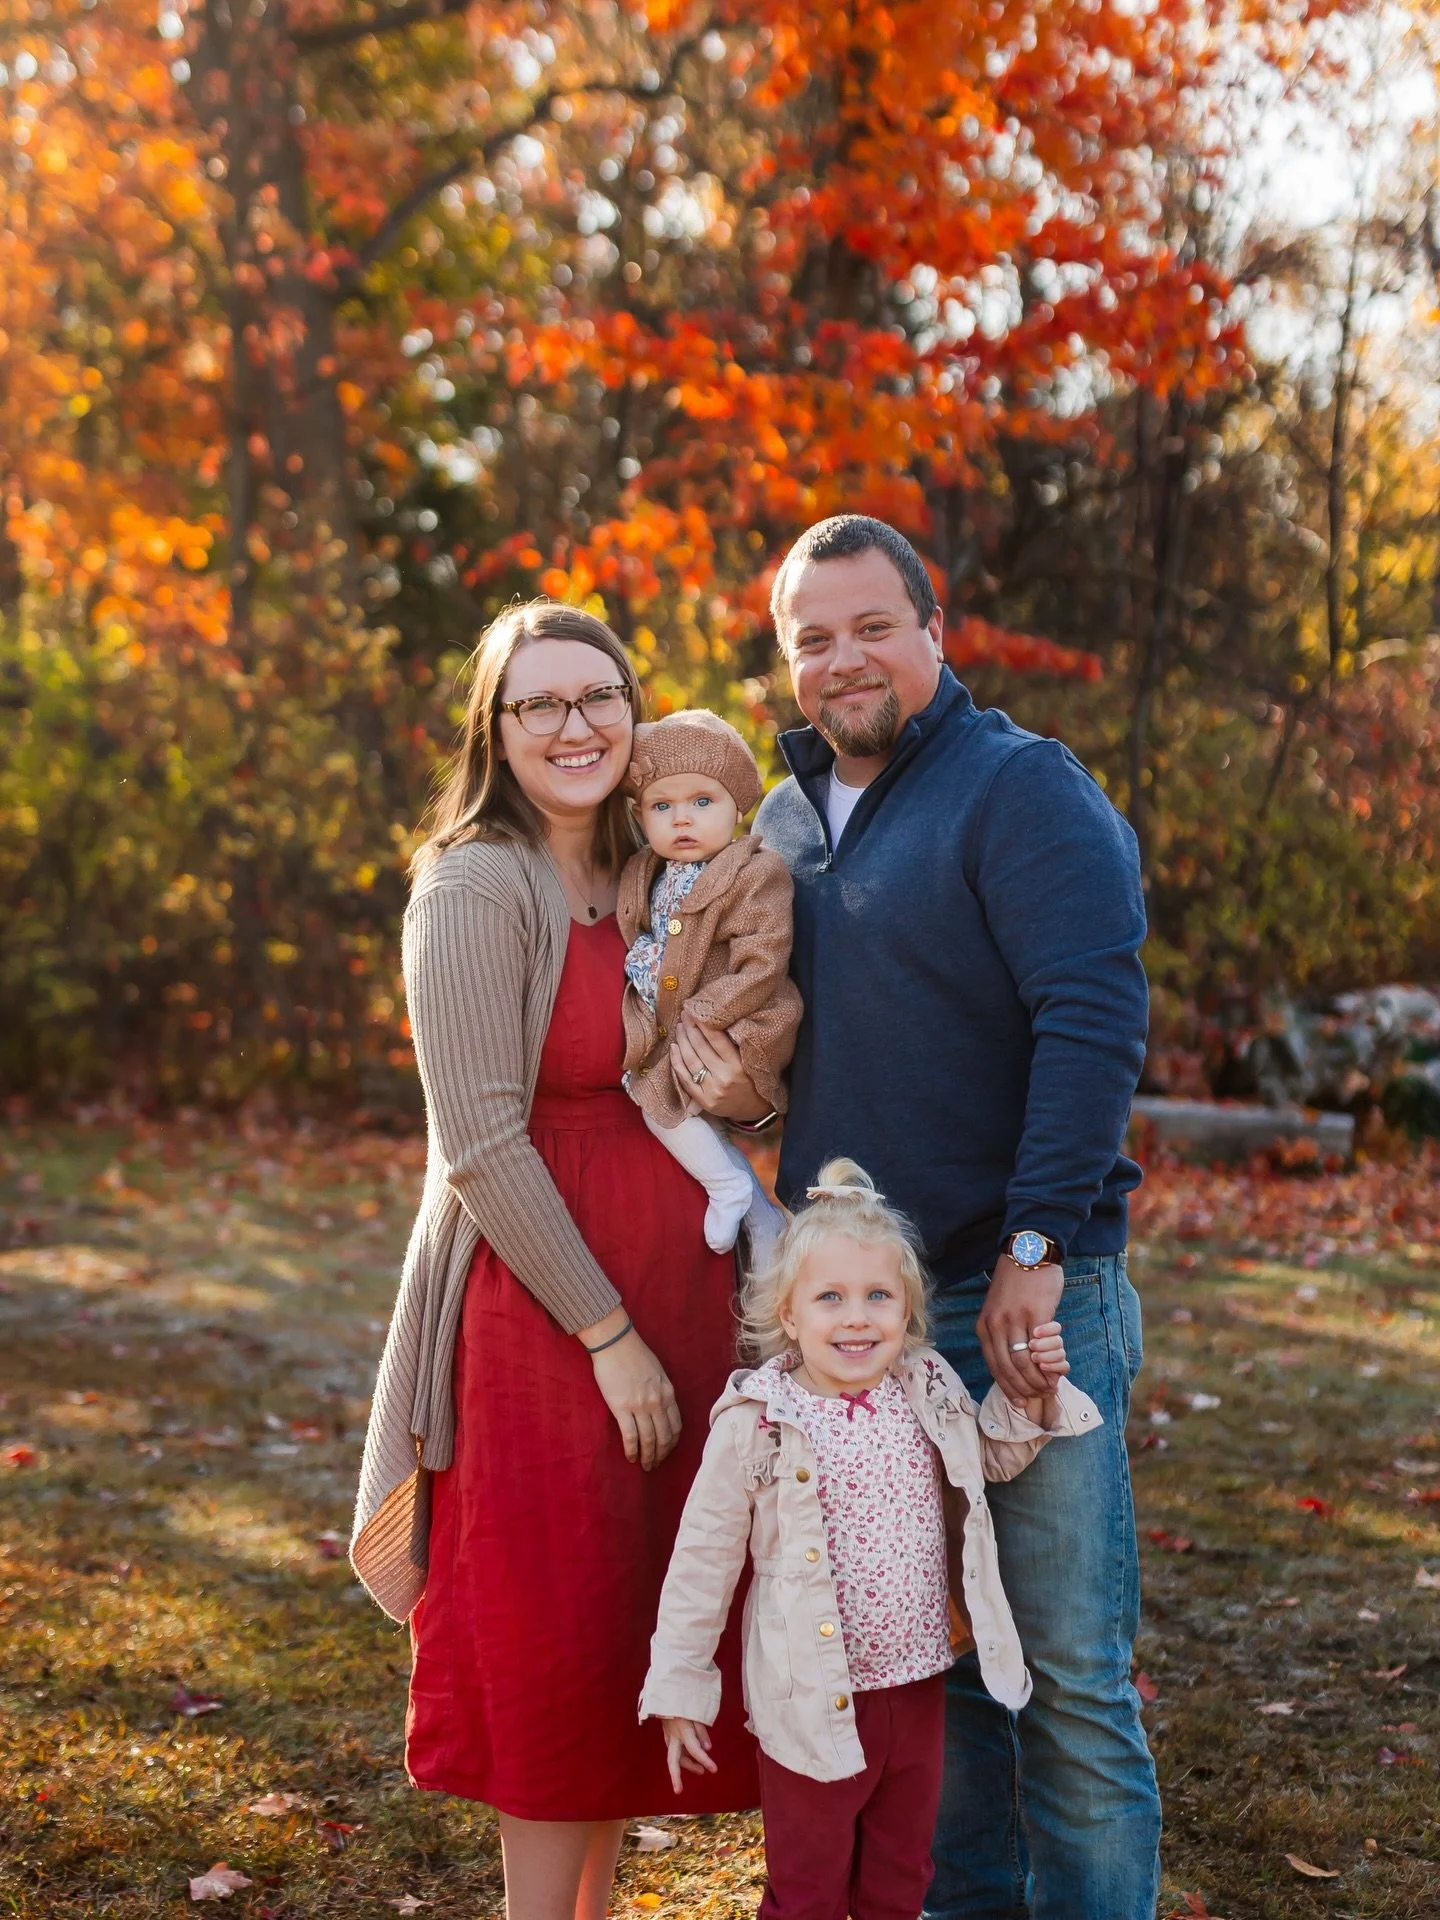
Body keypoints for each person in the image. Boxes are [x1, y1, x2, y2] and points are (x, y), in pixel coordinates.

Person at [747, 515, 1160, 1920]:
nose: (841, 659)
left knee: (1064, 1685)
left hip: (1025, 1305)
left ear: (937, 634)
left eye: (872, 626)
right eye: (811, 638)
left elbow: (1094, 1015)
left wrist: (1040, 1250)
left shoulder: (1015, 788)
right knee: (942, 1680)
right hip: (871, 1346)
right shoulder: (783, 821)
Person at [349, 602, 760, 1920]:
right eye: (542, 703)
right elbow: (476, 1137)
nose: (577, 725)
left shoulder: (654, 870)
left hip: (678, 1294)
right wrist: (608, 1332)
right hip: (548, 1314)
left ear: (635, 713)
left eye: (601, 697)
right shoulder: (474, 880)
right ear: (496, 727)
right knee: (553, 1642)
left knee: (621, 1646)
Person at [639, 1161, 1103, 1920]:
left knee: (900, 1877)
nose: (856, 1318)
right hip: (811, 1695)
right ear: (788, 1315)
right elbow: (703, 1560)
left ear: (907, 1309)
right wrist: (681, 1684)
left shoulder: (923, 1388)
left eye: (877, 1297)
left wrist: (1037, 1395)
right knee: (811, 1889)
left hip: (917, 1683)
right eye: (830, 1298)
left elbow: (984, 1461)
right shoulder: (761, 1419)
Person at [618, 708, 800, 1257]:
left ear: (736, 806)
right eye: (662, 805)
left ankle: (729, 1189)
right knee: (661, 1099)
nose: (682, 819)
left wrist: (700, 1014)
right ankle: (757, 1213)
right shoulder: (644, 870)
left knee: (655, 1096)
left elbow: (763, 962)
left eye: (702, 801)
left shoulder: (754, 872)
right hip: (685, 1024)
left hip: (743, 1021)